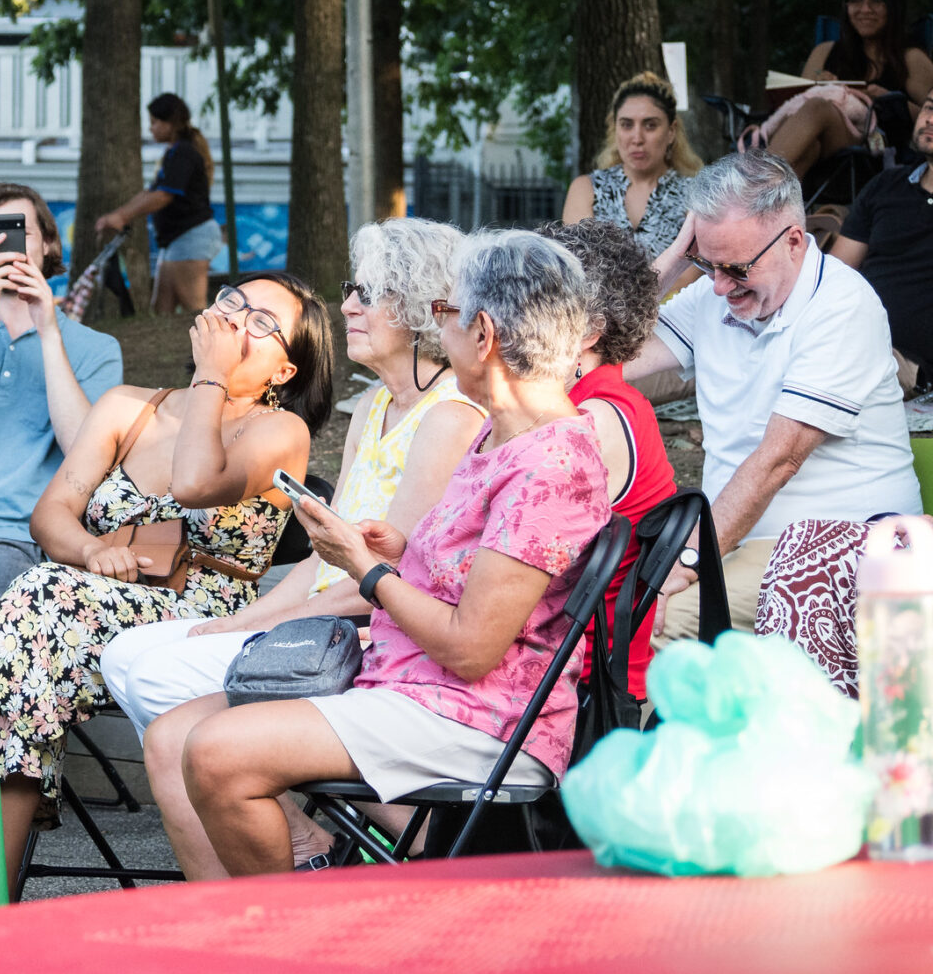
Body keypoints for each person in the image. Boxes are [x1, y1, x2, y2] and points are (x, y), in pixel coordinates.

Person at [146, 231, 610, 879]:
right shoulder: (503, 431)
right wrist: (401, 548)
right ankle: (241, 936)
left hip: (481, 718)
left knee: (219, 753)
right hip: (414, 677)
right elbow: (472, 566)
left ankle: (292, 943)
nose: (434, 324)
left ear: (483, 334)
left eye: (444, 311)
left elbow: (472, 646)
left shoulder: (550, 464)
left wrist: (366, 570)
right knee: (174, 734)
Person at [0, 271, 335, 892]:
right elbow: (50, 515)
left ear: (285, 372)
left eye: (261, 323)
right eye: (233, 303)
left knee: (37, 607)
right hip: (85, 606)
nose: (235, 321)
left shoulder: (279, 431)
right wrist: (94, 550)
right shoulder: (127, 405)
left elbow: (195, 485)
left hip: (202, 614)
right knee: (33, 626)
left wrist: (212, 375)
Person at [102, 219, 483, 742]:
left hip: (365, 634)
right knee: (124, 653)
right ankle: (257, 807)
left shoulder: (449, 416)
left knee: (153, 675)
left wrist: (258, 625)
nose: (347, 306)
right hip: (320, 618)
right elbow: (319, 561)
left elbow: (383, 578)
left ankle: (271, 813)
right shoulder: (374, 405)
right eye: (353, 290)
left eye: (368, 294)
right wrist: (238, 623)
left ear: (420, 309)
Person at [625, 151, 921, 646]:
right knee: (613, 601)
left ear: (793, 242)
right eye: (707, 263)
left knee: (658, 622)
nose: (719, 286)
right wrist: (677, 255)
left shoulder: (842, 306)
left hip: (842, 543)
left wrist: (689, 561)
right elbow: (597, 353)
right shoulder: (713, 294)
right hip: (741, 539)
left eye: (736, 268)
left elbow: (777, 460)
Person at [0, 184, 124, 604]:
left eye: (20, 232)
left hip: (19, 535)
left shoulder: (96, 348)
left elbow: (82, 451)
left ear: (49, 244)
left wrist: (48, 330)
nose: (6, 245)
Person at [541, 219, 679, 700]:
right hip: (577, 668)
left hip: (574, 685)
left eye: (537, 302)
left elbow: (523, 588)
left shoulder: (589, 421)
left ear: (588, 333)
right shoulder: (612, 401)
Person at [740, 0, 933, 179]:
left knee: (817, 107)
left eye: (876, 1)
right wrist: (818, 86)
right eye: (856, 1)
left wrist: (889, 99)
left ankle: (748, 187)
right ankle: (767, 206)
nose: (865, 9)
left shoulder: (910, 58)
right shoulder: (825, 52)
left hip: (874, 147)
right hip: (824, 146)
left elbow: (929, 115)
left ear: (893, 7)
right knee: (809, 147)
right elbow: (794, 106)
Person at [830, 93, 933, 393]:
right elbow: (833, 275)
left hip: (909, 367)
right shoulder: (885, 187)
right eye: (928, 107)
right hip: (855, 340)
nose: (929, 118)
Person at [94, 93, 222, 314]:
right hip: (177, 240)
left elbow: (163, 195)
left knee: (195, 310)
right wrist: (119, 214)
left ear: (169, 123)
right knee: (162, 308)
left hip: (191, 236)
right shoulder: (174, 153)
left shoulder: (183, 153)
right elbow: (150, 193)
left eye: (154, 122)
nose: (151, 128)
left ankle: (214, 348)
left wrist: (122, 217)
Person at [562, 71, 703, 257]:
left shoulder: (696, 194)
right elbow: (580, 267)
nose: (637, 138)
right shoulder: (586, 189)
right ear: (616, 130)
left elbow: (692, 274)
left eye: (650, 125)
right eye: (627, 125)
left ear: (671, 131)